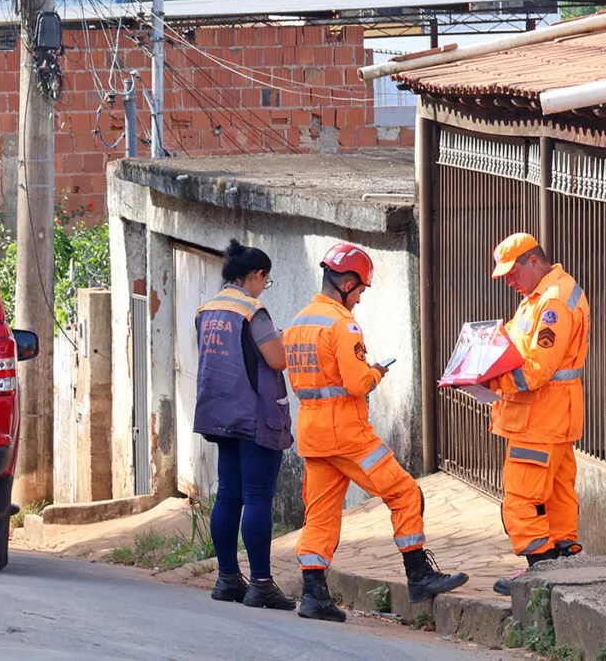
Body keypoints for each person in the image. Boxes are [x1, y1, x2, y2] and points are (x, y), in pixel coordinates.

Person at [283, 242, 469, 622]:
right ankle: (418, 575)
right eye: (362, 290)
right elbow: (355, 383)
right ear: (348, 283)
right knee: (404, 492)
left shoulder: (299, 322)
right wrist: (376, 373)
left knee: (319, 514)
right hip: (347, 432)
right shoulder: (343, 324)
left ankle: (314, 594)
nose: (361, 299)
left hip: (312, 433)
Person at [486, 233, 590, 596]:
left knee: (521, 497)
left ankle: (539, 571)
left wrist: (488, 379)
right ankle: (562, 562)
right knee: (559, 493)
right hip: (552, 418)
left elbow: (535, 371)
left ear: (534, 261)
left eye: (513, 273)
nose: (509, 282)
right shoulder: (541, 297)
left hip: (539, 419)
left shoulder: (552, 303)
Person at [194, 239, 295, 610]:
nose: (263, 288)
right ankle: (262, 584)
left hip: (219, 414)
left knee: (228, 494)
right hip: (254, 415)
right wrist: (282, 337)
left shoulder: (207, 309)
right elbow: (277, 359)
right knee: (257, 497)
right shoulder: (253, 310)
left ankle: (227, 578)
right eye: (264, 281)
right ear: (256, 275)